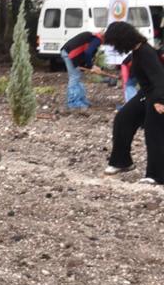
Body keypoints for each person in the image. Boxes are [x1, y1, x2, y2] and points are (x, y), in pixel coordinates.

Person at [104, 21, 164, 184]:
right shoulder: (137, 51)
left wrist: (159, 101)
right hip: (145, 93)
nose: (115, 46)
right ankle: (122, 162)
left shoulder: (146, 52)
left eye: (115, 42)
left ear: (123, 38)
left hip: (157, 95)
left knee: (154, 133)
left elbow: (159, 78)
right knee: (123, 119)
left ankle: (157, 175)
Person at [59, 30, 104, 111]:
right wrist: (92, 66)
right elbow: (88, 52)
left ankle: (80, 99)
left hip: (71, 53)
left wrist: (90, 67)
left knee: (78, 76)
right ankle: (72, 102)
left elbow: (85, 52)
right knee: (74, 76)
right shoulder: (97, 39)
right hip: (69, 53)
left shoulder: (93, 37)